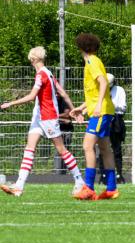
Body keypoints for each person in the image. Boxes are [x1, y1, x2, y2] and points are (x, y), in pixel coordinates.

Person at [0, 46, 84, 197]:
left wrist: (10, 104)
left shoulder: (41, 75)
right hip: (39, 117)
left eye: (30, 59)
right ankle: (19, 186)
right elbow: (63, 93)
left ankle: (80, 182)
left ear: (34, 59)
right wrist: (75, 110)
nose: (30, 62)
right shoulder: (49, 73)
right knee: (29, 148)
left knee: (61, 150)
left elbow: (32, 96)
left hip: (48, 117)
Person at [69, 33, 120, 200]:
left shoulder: (91, 61)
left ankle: (88, 187)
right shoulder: (93, 61)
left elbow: (104, 82)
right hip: (103, 110)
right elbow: (96, 91)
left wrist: (97, 106)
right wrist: (82, 108)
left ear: (81, 47)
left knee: (87, 146)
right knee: (105, 149)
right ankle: (111, 189)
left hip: (101, 112)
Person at [99, 73, 127, 184]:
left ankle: (119, 174)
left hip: (116, 120)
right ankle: (103, 175)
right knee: (103, 148)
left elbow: (123, 107)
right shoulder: (100, 89)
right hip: (104, 118)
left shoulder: (119, 90)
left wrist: (110, 105)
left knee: (117, 149)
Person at [53, 94, 75, 174]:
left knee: (65, 151)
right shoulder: (51, 100)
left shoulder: (64, 101)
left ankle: (64, 172)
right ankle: (58, 172)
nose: (56, 95)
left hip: (67, 130)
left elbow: (67, 114)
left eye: (57, 93)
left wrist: (55, 116)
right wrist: (62, 119)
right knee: (58, 151)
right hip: (57, 130)